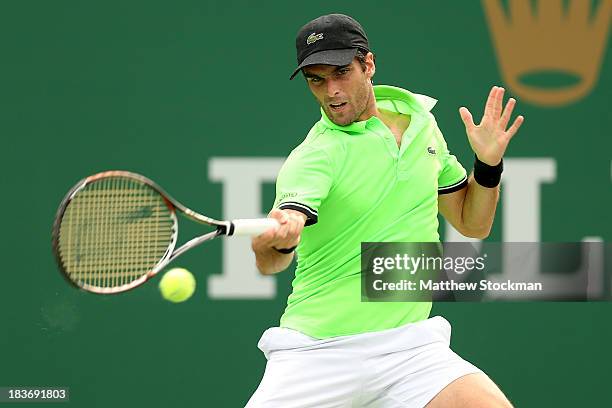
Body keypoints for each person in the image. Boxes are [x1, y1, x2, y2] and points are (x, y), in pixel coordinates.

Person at [247, 13, 523, 408]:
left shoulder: (421, 125)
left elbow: (471, 222)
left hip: (410, 350)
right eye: (317, 80)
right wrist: (278, 241)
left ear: (368, 64)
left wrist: (488, 166)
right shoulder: (314, 156)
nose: (331, 91)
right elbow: (270, 260)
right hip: (318, 354)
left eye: (341, 72)